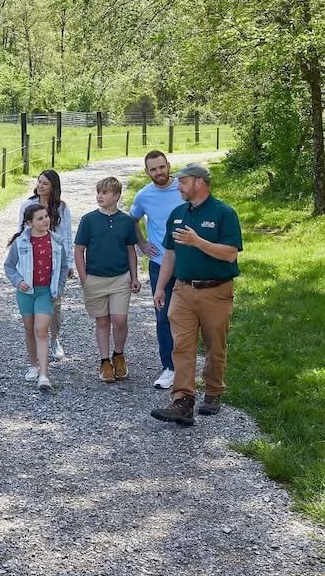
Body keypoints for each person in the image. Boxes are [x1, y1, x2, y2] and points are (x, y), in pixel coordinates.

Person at [150, 162, 243, 426]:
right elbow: (169, 254)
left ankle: (213, 392)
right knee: (182, 346)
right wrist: (159, 287)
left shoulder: (224, 213)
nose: (177, 186)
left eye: (183, 182)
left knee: (215, 345)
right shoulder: (178, 214)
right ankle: (182, 401)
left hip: (216, 290)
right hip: (182, 290)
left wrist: (197, 242)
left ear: (199, 182)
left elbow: (230, 254)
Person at [74, 176, 140, 383]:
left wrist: (135, 277)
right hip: (95, 278)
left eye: (105, 192)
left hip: (121, 278)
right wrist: (84, 278)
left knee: (119, 320)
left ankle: (118, 355)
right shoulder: (88, 220)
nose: (100, 196)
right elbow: (79, 250)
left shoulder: (127, 221)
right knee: (102, 321)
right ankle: (104, 361)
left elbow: (131, 251)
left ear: (117, 196)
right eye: (98, 192)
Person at [129, 151, 184, 389]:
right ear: (147, 172)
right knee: (163, 316)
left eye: (162, 167)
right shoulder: (144, 195)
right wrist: (141, 243)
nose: (159, 173)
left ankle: (188, 365)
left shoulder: (183, 188)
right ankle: (170, 367)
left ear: (168, 166)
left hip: (189, 263)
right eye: (153, 169)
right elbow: (132, 219)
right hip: (159, 263)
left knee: (189, 316)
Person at [4, 203, 70, 392]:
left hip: (46, 292)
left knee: (41, 331)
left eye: (46, 217)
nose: (45, 221)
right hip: (26, 293)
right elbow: (9, 266)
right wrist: (18, 281)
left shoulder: (56, 241)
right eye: (40, 218)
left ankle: (44, 375)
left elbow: (64, 267)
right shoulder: (21, 242)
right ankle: (33, 365)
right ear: (29, 223)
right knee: (29, 329)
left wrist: (59, 288)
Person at [17, 169, 74, 361]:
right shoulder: (28, 204)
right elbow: (21, 232)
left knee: (55, 303)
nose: (40, 186)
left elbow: (66, 235)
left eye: (45, 183)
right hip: (33, 259)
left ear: (53, 187)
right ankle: (36, 341)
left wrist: (70, 263)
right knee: (32, 302)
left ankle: (54, 338)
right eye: (39, 182)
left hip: (55, 261)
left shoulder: (62, 208)